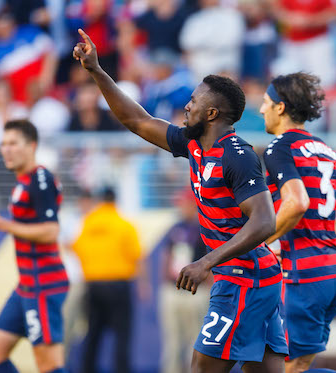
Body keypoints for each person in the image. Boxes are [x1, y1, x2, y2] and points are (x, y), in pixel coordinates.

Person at [73, 28, 287, 372]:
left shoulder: (237, 155)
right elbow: (137, 120)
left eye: (194, 101)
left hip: (245, 278)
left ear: (212, 114)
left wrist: (206, 262)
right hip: (250, 277)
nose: (186, 106)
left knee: (201, 367)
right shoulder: (194, 146)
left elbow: (265, 220)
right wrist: (98, 72)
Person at [260, 72, 336, 373]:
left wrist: (258, 244)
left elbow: (296, 203)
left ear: (280, 108)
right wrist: (322, 242)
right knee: (298, 365)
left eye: (266, 103)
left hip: (302, 276)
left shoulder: (280, 147)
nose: (261, 109)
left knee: (282, 366)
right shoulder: (328, 151)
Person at [0, 119, 68, 373]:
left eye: (13, 143)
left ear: (32, 146)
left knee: (48, 364)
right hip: (27, 284)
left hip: (44, 285)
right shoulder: (23, 181)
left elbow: (51, 231)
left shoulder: (40, 178)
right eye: (3, 144)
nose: (6, 149)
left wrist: (1, 224)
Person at [72, 187, 142, 373]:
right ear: (115, 200)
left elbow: (77, 248)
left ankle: (86, 369)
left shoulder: (89, 222)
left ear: (101, 200)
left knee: (93, 334)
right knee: (122, 335)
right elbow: (135, 255)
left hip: (93, 284)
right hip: (118, 284)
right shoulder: (124, 224)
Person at [156, 189, 210, 373]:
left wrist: (208, 288)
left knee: (195, 340)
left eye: (184, 204)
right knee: (172, 340)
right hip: (174, 290)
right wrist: (165, 283)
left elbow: (211, 258)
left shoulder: (204, 228)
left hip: (196, 291)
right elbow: (166, 255)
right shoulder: (175, 228)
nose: (181, 208)